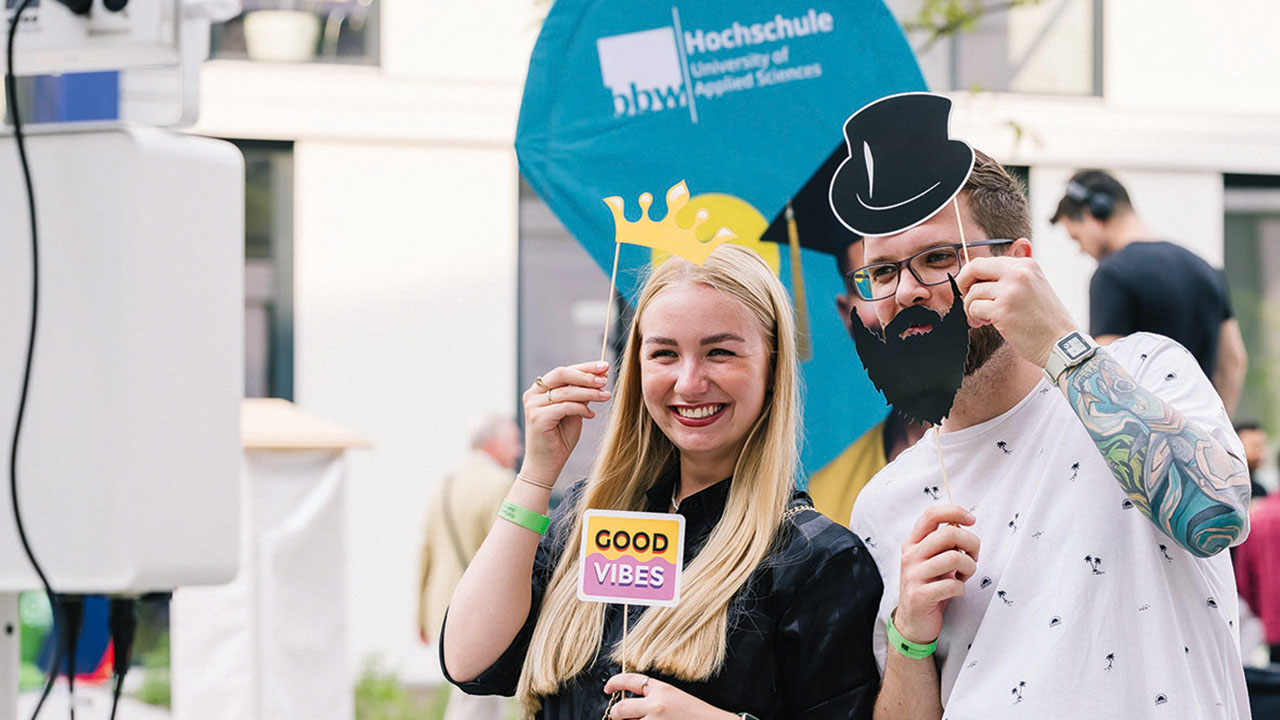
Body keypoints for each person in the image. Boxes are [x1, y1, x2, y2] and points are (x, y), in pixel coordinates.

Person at [844, 150, 1252, 716]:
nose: (906, 291)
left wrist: (1063, 345)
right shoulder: (882, 504)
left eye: (938, 257)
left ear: (1018, 265)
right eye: (883, 272)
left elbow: (1218, 517)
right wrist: (911, 633)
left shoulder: (1148, 368)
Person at [440, 244, 881, 719]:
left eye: (720, 352)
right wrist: (536, 473)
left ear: (772, 368)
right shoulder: (586, 519)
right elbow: (468, 661)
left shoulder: (817, 560)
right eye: (665, 353)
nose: (689, 383)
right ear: (638, 367)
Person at [759, 164, 927, 528]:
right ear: (847, 315)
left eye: (931, 261)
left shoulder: (1054, 439)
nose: (904, 294)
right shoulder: (828, 494)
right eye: (877, 275)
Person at [1050, 169, 1247, 416]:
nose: (1081, 250)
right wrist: (1215, 430)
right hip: (1201, 442)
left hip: (1148, 443)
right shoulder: (1207, 269)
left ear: (1094, 214)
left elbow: (1106, 375)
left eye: (1076, 238)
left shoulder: (1112, 274)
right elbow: (1234, 361)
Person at [417, 415, 522, 720]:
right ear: (492, 443)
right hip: (482, 611)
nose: (518, 451)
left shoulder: (444, 483)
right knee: (480, 698)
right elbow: (509, 558)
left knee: (465, 695)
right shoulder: (503, 484)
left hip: (442, 604)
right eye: (514, 442)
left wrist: (421, 615)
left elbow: (425, 552)